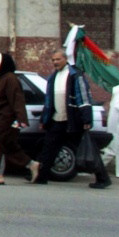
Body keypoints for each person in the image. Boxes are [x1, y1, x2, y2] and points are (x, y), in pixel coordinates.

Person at [32, 49, 111, 189]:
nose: (55, 62)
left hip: (74, 121)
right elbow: (49, 101)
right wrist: (44, 120)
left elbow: (84, 97)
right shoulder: (53, 77)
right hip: (57, 120)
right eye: (53, 60)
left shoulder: (76, 75)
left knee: (88, 149)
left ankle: (102, 178)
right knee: (49, 148)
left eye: (58, 59)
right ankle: (41, 177)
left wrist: (86, 119)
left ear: (65, 59)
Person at [0, 52, 40, 185]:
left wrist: (21, 120)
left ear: (3, 63)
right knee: (8, 145)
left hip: (8, 120)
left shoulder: (11, 79)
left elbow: (17, 100)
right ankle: (31, 164)